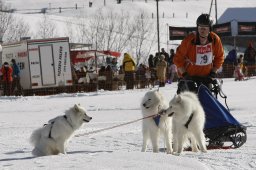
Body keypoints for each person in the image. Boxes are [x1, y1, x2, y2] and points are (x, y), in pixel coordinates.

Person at [173, 13, 224, 93]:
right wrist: (185, 76)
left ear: (210, 28)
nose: (202, 30)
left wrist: (213, 73)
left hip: (206, 77)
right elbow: (178, 59)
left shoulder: (215, 40)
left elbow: (220, 57)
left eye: (205, 28)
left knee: (207, 102)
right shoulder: (189, 40)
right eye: (200, 27)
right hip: (189, 77)